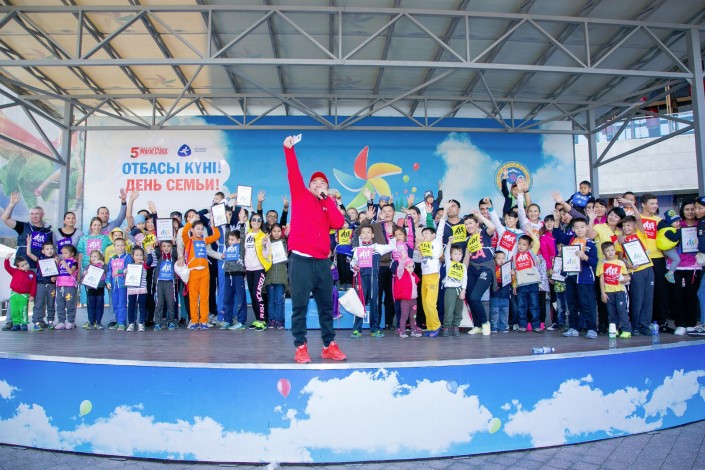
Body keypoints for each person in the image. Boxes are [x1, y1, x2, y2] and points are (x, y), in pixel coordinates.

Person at [283, 135, 347, 363]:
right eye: (315, 183)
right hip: (300, 261)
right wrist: (288, 149)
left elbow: (339, 223)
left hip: (321, 262)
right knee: (299, 306)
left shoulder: (328, 205)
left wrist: (328, 201)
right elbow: (293, 172)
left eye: (323, 184)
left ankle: (329, 345)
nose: (319, 186)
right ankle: (300, 346)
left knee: (326, 307)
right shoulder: (300, 196)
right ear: (309, 187)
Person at [552, 216, 598, 339]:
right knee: (572, 304)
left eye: (582, 227)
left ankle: (591, 328)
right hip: (570, 276)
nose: (580, 229)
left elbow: (594, 262)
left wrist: (585, 257)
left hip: (584, 278)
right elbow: (557, 235)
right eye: (577, 227)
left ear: (587, 228)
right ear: (573, 229)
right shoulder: (570, 239)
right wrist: (556, 220)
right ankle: (573, 328)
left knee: (586, 304)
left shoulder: (591, 243)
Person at [350, 223, 396, 338]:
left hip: (374, 279)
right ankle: (357, 329)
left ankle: (374, 329)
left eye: (368, 232)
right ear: (360, 236)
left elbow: (393, 247)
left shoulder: (377, 247)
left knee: (374, 303)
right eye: (363, 233)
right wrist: (354, 267)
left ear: (372, 235)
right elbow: (353, 263)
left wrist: (390, 235)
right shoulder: (357, 249)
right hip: (361, 279)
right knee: (359, 304)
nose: (366, 235)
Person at [179, 214, 221, 330]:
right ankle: (194, 320)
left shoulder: (204, 240)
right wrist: (191, 221)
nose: (200, 231)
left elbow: (217, 235)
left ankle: (203, 321)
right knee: (193, 298)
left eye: (202, 229)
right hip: (193, 272)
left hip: (205, 273)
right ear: (192, 230)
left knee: (204, 297)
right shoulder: (188, 241)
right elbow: (184, 232)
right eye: (198, 229)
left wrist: (213, 225)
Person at [462, 204, 497, 336]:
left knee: (475, 297)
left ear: (477, 223)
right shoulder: (467, 239)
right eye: (466, 224)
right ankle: (477, 325)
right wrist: (463, 274)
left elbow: (492, 227)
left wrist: (480, 216)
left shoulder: (484, 233)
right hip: (472, 269)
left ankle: (485, 322)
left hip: (486, 268)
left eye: (471, 223)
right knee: (469, 297)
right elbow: (466, 258)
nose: (468, 226)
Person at [669, 199, 701, 336]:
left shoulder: (700, 224)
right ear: (682, 211)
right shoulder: (677, 224)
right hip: (675, 266)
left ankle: (691, 324)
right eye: (687, 209)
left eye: (693, 209)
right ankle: (680, 324)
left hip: (694, 266)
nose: (690, 212)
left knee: (691, 295)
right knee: (676, 295)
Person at [639, 193, 669, 332]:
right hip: (641, 260)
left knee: (660, 291)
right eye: (652, 203)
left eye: (656, 203)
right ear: (643, 204)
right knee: (644, 293)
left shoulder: (660, 220)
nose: (655, 206)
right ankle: (645, 322)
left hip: (658, 258)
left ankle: (661, 322)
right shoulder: (636, 219)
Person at [244, 212, 272, 331]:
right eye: (254, 220)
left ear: (261, 223)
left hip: (259, 268)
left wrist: (265, 245)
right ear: (250, 222)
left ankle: (262, 320)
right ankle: (257, 319)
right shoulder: (247, 234)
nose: (256, 222)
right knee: (252, 294)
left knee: (257, 294)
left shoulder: (264, 236)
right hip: (249, 269)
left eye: (259, 220)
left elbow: (267, 254)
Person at [597, 242, 632, 338]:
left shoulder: (620, 263)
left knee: (622, 310)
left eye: (612, 250)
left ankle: (626, 330)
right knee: (611, 312)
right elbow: (601, 279)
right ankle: (614, 329)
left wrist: (622, 278)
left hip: (620, 291)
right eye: (607, 251)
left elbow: (626, 276)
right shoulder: (602, 264)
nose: (610, 252)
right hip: (608, 292)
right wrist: (603, 293)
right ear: (603, 252)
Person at [24, 240, 57, 330]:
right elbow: (29, 253)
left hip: (51, 285)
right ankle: (36, 322)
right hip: (40, 284)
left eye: (51, 248)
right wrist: (28, 243)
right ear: (43, 251)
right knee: (38, 303)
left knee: (51, 303)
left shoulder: (56, 259)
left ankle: (50, 321)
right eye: (47, 249)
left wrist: (55, 277)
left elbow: (59, 272)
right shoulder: (40, 259)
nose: (50, 250)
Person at [512, 235, 542, 332]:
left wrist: (530, 232)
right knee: (522, 306)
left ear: (529, 246)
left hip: (533, 283)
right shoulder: (514, 257)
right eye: (519, 243)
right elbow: (514, 272)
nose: (521, 246)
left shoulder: (531, 253)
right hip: (521, 284)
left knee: (534, 305)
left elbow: (537, 243)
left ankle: (536, 325)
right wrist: (514, 285)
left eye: (524, 244)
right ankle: (522, 325)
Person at [148, 240, 178, 331]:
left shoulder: (173, 257)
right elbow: (157, 251)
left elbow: (176, 253)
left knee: (170, 303)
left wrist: (174, 244)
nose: (166, 248)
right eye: (164, 246)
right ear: (161, 248)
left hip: (170, 282)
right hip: (160, 283)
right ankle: (157, 322)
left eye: (168, 246)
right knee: (159, 303)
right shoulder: (159, 256)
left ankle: (171, 321)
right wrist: (157, 245)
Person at [221, 230, 247, 330]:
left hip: (238, 276)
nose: (230, 241)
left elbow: (242, 237)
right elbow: (226, 237)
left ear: (239, 240)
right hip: (228, 275)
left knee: (241, 299)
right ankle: (228, 320)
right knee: (227, 299)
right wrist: (227, 225)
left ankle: (241, 321)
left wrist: (242, 225)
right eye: (229, 239)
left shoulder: (240, 247)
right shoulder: (228, 247)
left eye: (233, 239)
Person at [3, 253, 36, 331]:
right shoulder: (15, 271)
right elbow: (7, 267)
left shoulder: (32, 274)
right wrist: (6, 259)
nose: (26, 266)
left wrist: (32, 295)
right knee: (14, 310)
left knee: (23, 309)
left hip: (24, 295)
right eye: (23, 265)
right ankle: (16, 324)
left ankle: (24, 324)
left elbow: (33, 285)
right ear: (18, 267)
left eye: (26, 263)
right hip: (14, 294)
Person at [264, 223, 288, 329]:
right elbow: (264, 255)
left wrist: (286, 255)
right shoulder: (268, 242)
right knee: (271, 300)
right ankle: (272, 320)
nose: (276, 233)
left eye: (278, 231)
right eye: (274, 231)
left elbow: (287, 259)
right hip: (270, 275)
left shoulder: (284, 242)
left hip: (281, 276)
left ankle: (279, 320)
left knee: (279, 300)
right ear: (271, 232)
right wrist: (265, 243)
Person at [442, 244, 466, 337]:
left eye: (459, 254)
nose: (457, 256)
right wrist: (449, 242)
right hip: (450, 290)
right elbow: (446, 253)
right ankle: (446, 327)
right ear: (451, 255)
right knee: (449, 309)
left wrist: (463, 290)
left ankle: (456, 326)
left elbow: (465, 279)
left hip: (459, 289)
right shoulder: (449, 263)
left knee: (458, 310)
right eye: (455, 254)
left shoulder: (463, 266)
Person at [394, 258, 421, 338]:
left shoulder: (414, 276)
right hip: (405, 301)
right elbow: (399, 268)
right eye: (409, 267)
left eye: (412, 267)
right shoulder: (401, 275)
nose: (411, 269)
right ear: (404, 267)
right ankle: (402, 331)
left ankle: (414, 331)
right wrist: (402, 259)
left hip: (414, 300)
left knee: (413, 317)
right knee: (404, 316)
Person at [106, 238, 129, 331]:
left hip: (122, 284)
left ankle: (122, 323)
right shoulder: (112, 258)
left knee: (121, 303)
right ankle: (117, 322)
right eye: (118, 245)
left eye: (122, 245)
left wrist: (120, 271)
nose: (120, 247)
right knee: (115, 303)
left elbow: (129, 268)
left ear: (125, 246)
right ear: (114, 247)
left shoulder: (128, 257)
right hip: (114, 284)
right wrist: (108, 281)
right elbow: (109, 271)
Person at [55, 245, 79, 330]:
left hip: (70, 286)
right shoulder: (61, 262)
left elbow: (71, 271)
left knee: (70, 304)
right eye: (62, 253)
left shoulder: (74, 262)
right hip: (60, 285)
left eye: (66, 253)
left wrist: (65, 264)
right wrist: (57, 263)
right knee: (60, 304)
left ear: (72, 253)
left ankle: (71, 321)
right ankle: (61, 321)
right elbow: (57, 272)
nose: (63, 255)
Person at [125, 247, 148, 332]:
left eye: (141, 255)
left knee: (142, 307)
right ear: (133, 256)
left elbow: (150, 260)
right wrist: (124, 271)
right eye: (137, 255)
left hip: (142, 289)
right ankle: (131, 323)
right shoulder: (130, 266)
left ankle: (141, 323)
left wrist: (149, 251)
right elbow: (125, 275)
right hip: (132, 289)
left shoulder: (144, 265)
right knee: (131, 307)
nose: (139, 257)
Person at [83, 250, 107, 330]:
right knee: (91, 305)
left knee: (99, 305)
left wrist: (102, 263)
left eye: (96, 256)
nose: (93, 258)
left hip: (100, 287)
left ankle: (98, 322)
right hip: (91, 288)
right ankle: (91, 322)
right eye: (92, 256)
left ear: (100, 257)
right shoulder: (88, 266)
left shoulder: (102, 265)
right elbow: (83, 275)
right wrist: (84, 273)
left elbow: (108, 269)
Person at [656, 209, 682, 283]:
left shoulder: (668, 228)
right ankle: (670, 273)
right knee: (677, 260)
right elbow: (674, 238)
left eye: (679, 221)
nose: (678, 223)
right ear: (670, 222)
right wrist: (679, 230)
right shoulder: (667, 230)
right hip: (668, 249)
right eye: (676, 222)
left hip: (670, 249)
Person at [490, 251, 511, 333]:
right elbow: (494, 277)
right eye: (499, 258)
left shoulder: (508, 268)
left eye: (503, 258)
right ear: (494, 260)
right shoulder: (493, 268)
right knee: (494, 310)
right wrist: (500, 270)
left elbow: (511, 280)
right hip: (495, 292)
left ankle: (503, 326)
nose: (501, 260)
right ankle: (494, 326)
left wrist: (513, 274)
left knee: (505, 310)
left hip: (505, 292)